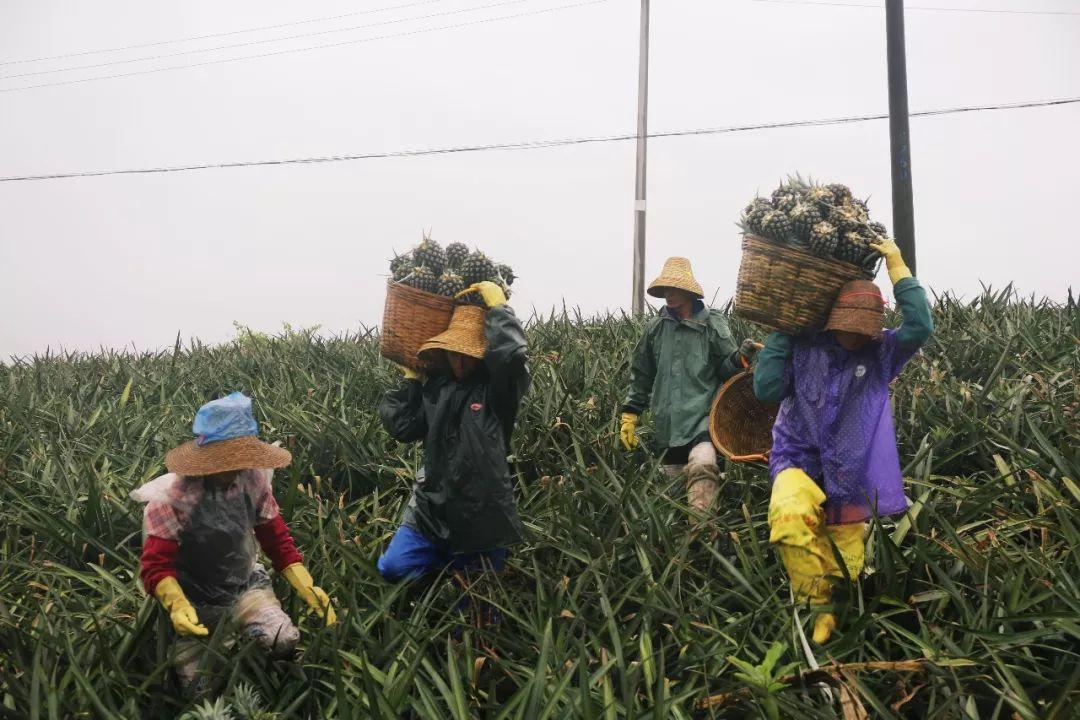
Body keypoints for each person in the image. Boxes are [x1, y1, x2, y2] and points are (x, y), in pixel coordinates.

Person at [754, 238, 933, 643]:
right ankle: (814, 610)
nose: (855, 335)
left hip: (852, 473)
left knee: (845, 567)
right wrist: (782, 332)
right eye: (848, 326)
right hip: (796, 460)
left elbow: (921, 326)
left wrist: (897, 265)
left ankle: (838, 632)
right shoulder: (803, 347)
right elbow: (766, 391)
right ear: (833, 319)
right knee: (788, 521)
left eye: (862, 328)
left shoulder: (881, 351)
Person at [132, 392, 336, 695]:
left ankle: (262, 662)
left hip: (244, 583)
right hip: (193, 597)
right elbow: (156, 565)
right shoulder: (173, 498)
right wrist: (177, 605)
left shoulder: (253, 480)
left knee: (283, 640)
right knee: (197, 691)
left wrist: (307, 585)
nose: (237, 467)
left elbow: (275, 538)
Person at [376, 281, 529, 621]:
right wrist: (411, 382)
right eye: (453, 352)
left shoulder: (497, 394)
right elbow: (402, 426)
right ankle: (441, 575)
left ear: (481, 354)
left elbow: (512, 357)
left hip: (482, 514)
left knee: (479, 617)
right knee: (394, 567)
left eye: (468, 353)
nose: (459, 360)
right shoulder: (437, 387)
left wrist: (501, 310)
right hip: (432, 507)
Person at [619, 257, 761, 513]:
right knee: (670, 496)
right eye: (665, 290)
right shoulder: (655, 329)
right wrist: (630, 413)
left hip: (702, 421)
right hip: (667, 425)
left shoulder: (710, 324)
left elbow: (725, 368)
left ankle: (703, 534)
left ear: (688, 291)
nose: (668, 295)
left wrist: (741, 356)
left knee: (703, 466)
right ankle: (680, 549)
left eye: (673, 289)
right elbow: (641, 374)